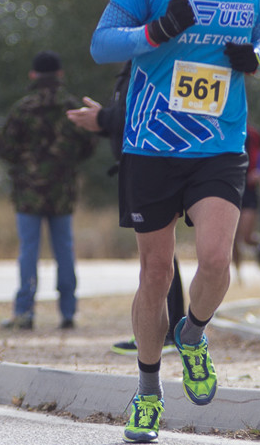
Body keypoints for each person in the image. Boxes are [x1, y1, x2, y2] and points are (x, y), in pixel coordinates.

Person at [89, 0, 260, 443]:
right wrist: (155, 32)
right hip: (152, 142)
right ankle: (148, 391)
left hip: (220, 141)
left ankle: (192, 332)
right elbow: (101, 43)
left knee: (216, 260)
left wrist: (256, 57)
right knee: (155, 271)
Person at [66, 63, 183, 355]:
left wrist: (103, 118)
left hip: (156, 166)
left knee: (158, 259)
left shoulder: (152, 61)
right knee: (158, 258)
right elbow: (128, 119)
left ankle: (167, 331)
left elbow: (149, 113)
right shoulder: (130, 66)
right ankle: (163, 330)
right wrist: (103, 121)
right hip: (136, 166)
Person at [0, 51, 97, 330]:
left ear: (33, 75)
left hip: (29, 191)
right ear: (60, 74)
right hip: (62, 190)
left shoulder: (23, 108)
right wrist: (65, 162)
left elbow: (4, 148)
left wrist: (27, 163)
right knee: (64, 249)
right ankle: (68, 312)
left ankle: (24, 312)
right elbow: (89, 145)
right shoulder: (72, 108)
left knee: (29, 250)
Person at [231, 123, 260, 281]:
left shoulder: (253, 134)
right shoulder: (224, 129)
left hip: (249, 189)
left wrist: (259, 172)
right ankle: (238, 273)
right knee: (232, 237)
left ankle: (259, 245)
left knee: (246, 236)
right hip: (231, 187)